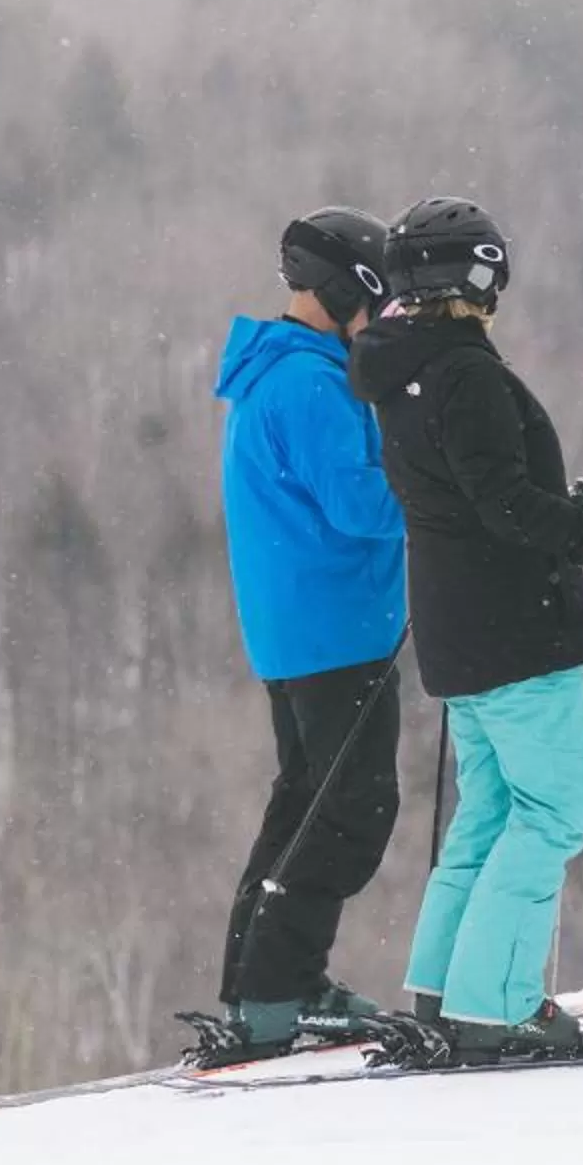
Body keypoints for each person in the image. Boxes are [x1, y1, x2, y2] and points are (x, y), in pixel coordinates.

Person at [348, 196, 583, 1063]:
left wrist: (575, 513)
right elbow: (506, 509)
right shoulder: (465, 373)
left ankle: (443, 991)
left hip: (457, 629)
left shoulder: (398, 371)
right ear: (477, 274)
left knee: (490, 815)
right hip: (514, 630)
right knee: (547, 817)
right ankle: (495, 1006)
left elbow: (477, 500)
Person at [209, 206, 412, 1056]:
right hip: (337, 631)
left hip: (301, 633)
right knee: (353, 812)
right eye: (383, 301)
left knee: (303, 804)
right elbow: (362, 504)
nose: (389, 319)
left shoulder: (278, 373)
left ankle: (269, 986)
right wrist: (435, 471)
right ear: (346, 293)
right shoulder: (309, 385)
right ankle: (276, 991)